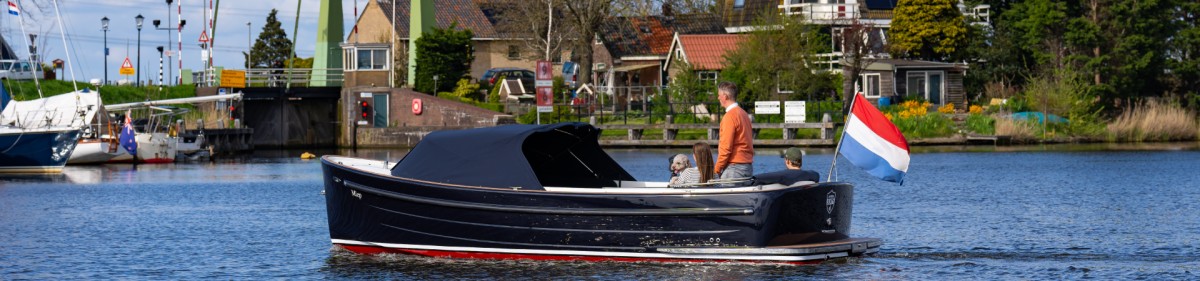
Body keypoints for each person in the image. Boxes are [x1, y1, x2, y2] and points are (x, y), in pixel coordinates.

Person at [713, 81, 754, 181]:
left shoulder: (729, 117)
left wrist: (716, 170)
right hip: (747, 167)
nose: (718, 98)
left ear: (725, 96)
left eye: (719, 95)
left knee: (725, 196)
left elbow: (726, 148)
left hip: (734, 169)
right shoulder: (743, 114)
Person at [752, 147, 820, 186]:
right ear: (800, 161)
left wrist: (753, 179)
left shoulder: (784, 176)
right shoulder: (812, 175)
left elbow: (761, 178)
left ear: (788, 161)